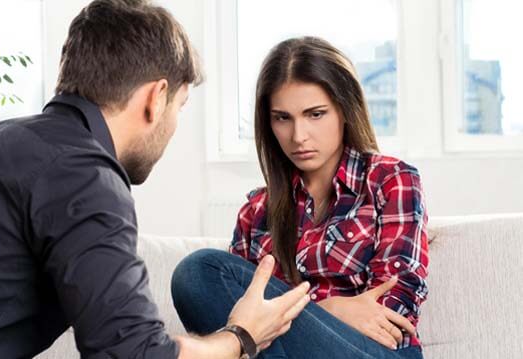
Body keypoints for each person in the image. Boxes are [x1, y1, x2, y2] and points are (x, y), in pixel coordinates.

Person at [0, 1, 312, 358]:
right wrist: (242, 336)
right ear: (156, 98)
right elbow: (135, 353)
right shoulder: (83, 174)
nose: (173, 126)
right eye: (180, 106)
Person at [171, 37, 429, 358]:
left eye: (315, 114)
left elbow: (393, 306)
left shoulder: (391, 180)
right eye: (283, 118)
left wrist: (292, 317)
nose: (298, 136)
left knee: (200, 270)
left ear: (345, 110)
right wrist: (332, 308)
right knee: (197, 274)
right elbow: (239, 324)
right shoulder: (256, 210)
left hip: (374, 352)